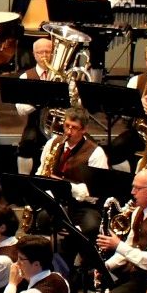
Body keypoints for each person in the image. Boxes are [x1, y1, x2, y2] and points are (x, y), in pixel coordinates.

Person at [34, 107, 109, 250]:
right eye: (66, 126)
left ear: (84, 130)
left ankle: (83, 263)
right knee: (42, 219)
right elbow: (41, 170)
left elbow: (93, 192)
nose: (68, 131)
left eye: (74, 128)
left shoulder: (96, 153)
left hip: (83, 206)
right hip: (56, 201)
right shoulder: (52, 143)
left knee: (91, 226)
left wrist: (62, 184)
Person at [14, 36, 56, 168]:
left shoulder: (63, 74)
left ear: (53, 53)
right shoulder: (25, 77)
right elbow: (21, 110)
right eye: (40, 52)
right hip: (36, 123)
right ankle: (24, 181)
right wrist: (42, 96)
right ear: (34, 55)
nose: (44, 56)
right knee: (26, 145)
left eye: (47, 52)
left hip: (60, 123)